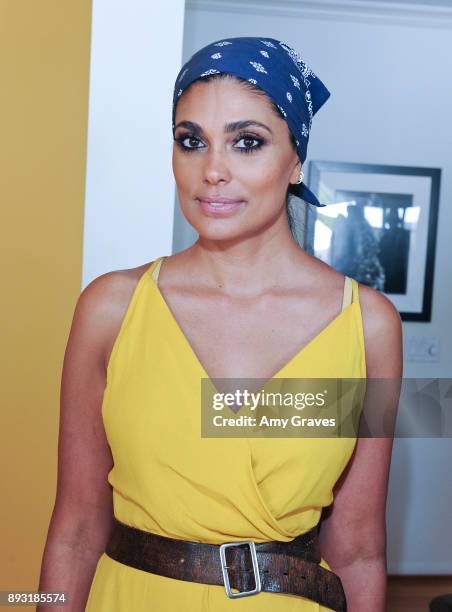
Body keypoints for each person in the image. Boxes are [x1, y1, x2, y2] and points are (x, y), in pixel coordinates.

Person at [37, 37, 403, 611]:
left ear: (295, 160)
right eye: (191, 142)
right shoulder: (111, 308)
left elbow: (357, 550)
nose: (212, 170)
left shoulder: (365, 326)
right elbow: (77, 530)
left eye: (247, 142)